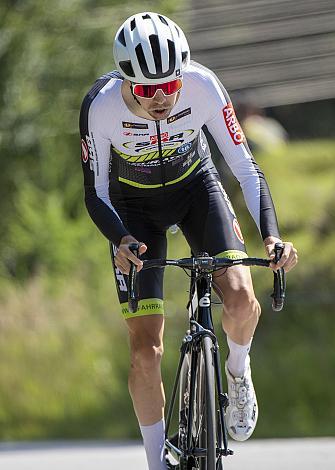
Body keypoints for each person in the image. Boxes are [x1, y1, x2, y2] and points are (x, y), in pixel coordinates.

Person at [79, 12, 298, 470]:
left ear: (183, 76)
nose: (160, 98)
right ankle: (156, 463)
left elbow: (245, 166)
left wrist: (272, 235)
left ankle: (237, 371)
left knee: (239, 298)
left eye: (169, 86)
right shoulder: (100, 108)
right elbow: (96, 192)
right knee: (144, 350)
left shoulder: (203, 86)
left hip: (197, 189)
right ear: (125, 81)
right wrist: (119, 239)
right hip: (132, 210)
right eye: (144, 90)